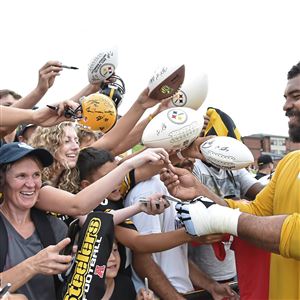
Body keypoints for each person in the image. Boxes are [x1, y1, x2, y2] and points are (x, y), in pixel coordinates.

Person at [160, 60, 300, 299]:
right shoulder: (290, 162)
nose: (286, 106)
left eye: (295, 96)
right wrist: (199, 191)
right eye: (285, 97)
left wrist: (224, 219)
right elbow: (256, 211)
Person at [0, 142, 72, 299]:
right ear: (2, 180)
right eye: (21, 176)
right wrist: (33, 265)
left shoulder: (55, 227)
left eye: (36, 175)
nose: (31, 184)